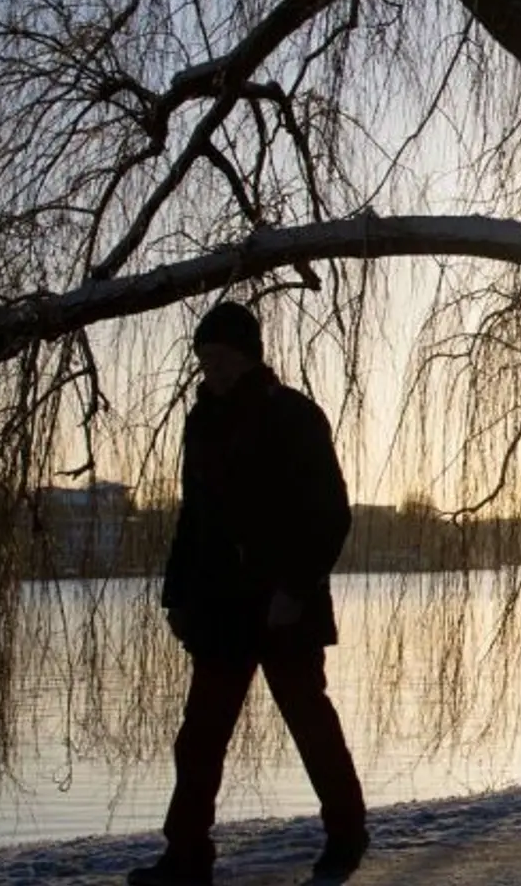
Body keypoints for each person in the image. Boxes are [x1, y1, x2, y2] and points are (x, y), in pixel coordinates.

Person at [130, 301, 368, 885]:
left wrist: (296, 587)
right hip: (218, 605)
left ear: (246, 355)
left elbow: (329, 513)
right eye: (202, 359)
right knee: (200, 736)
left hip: (284, 605)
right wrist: (177, 596)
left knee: (312, 725)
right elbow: (195, 518)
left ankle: (346, 834)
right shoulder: (200, 422)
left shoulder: (295, 415)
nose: (207, 369)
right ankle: (186, 854)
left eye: (217, 357)